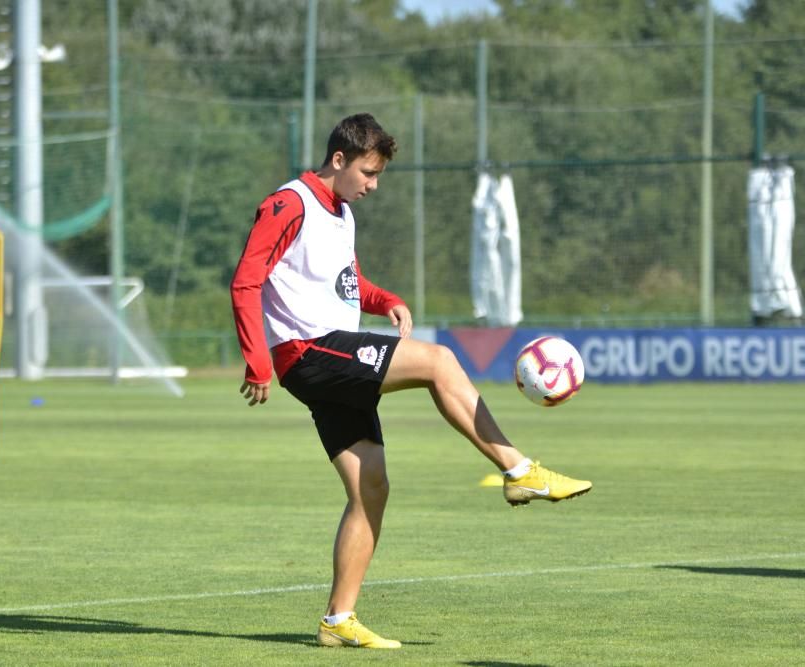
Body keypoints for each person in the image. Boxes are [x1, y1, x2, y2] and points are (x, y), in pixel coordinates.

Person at [231, 113, 591, 650]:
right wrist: (257, 360)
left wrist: (386, 301)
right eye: (369, 172)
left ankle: (338, 621)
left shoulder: (341, 212)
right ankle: (519, 469)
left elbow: (346, 283)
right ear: (339, 161)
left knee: (371, 487)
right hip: (308, 352)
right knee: (440, 362)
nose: (374, 184)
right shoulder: (290, 203)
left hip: (329, 354)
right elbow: (246, 279)